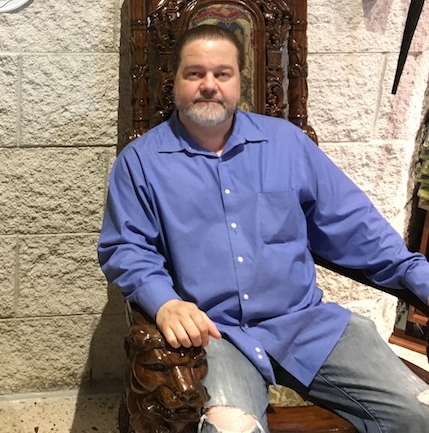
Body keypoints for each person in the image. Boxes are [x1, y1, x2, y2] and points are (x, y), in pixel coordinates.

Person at [98, 24, 429, 432]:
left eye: (222, 73)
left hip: (304, 324)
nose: (209, 85)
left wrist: (418, 275)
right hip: (215, 334)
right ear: (175, 81)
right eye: (195, 73)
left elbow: (353, 224)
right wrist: (164, 302)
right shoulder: (140, 162)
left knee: (419, 414)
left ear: (240, 80)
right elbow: (126, 249)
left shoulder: (287, 144)